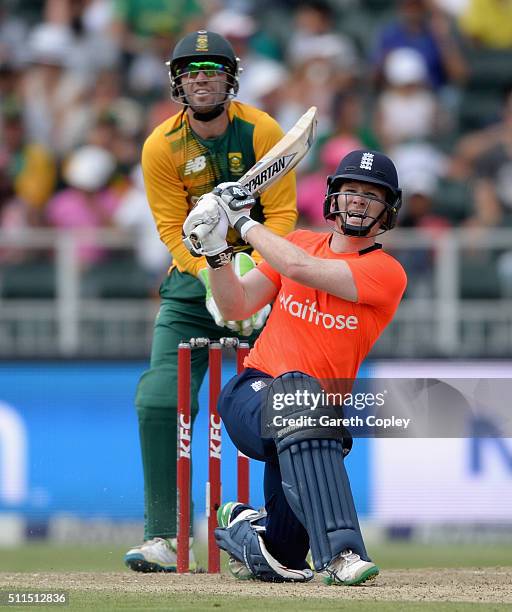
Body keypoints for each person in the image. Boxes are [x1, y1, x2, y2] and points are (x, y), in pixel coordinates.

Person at [182, 149, 407, 584]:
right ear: (332, 200)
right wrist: (216, 251)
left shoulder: (386, 272)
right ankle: (342, 554)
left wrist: (241, 221)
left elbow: (299, 268)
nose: (358, 201)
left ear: (388, 210)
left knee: (283, 557)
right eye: (350, 191)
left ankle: (245, 524)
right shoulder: (300, 240)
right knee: (300, 397)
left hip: (310, 427)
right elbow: (235, 305)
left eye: (371, 195)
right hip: (253, 393)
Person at [124, 30, 297, 572]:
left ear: (231, 78)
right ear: (178, 82)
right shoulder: (162, 145)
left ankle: (280, 535)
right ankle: (166, 536)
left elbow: (285, 215)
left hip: (266, 280)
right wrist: (211, 274)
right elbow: (172, 231)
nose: (202, 78)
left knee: (288, 403)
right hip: (192, 285)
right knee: (157, 398)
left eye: (213, 69)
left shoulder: (261, 129)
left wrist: (258, 274)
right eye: (191, 71)